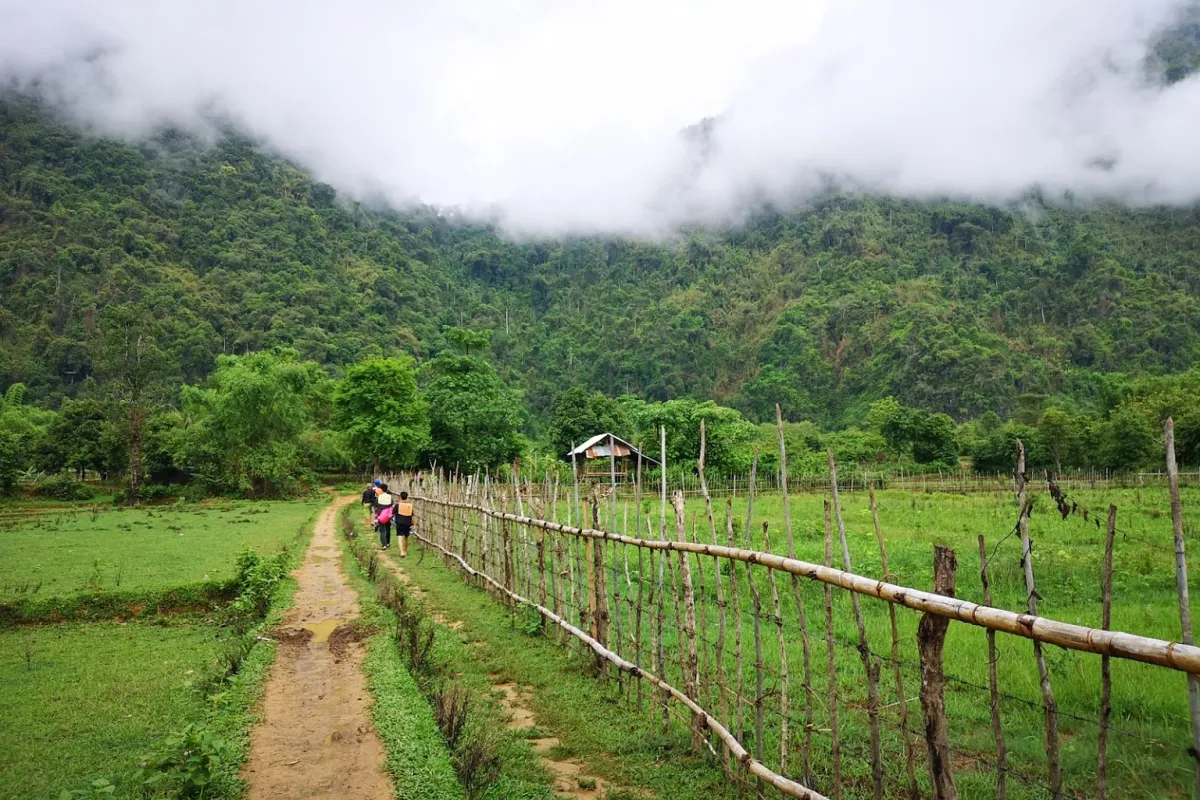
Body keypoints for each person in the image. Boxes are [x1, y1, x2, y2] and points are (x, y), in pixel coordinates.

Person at [374, 483, 396, 550]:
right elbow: (392, 506)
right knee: (388, 529)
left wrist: (377, 515)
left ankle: (384, 545)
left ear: (381, 489)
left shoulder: (379, 497)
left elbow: (376, 507)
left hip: (381, 516)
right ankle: (388, 542)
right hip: (388, 516)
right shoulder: (390, 497)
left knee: (382, 530)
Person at [394, 491, 414, 557]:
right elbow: (412, 516)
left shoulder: (397, 505)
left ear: (400, 497)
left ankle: (402, 552)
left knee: (400, 537)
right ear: (407, 497)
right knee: (406, 537)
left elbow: (392, 514)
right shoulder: (410, 506)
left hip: (399, 522)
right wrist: (413, 524)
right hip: (407, 523)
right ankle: (405, 551)